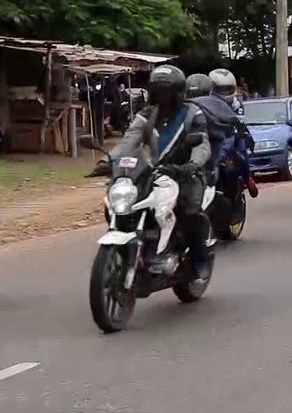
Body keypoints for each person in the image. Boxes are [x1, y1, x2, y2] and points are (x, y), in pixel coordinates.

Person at [92, 65, 213, 281]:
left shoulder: (193, 114)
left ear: (177, 93)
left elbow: (202, 144)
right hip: (156, 171)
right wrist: (108, 160)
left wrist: (193, 164)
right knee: (122, 201)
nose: (162, 97)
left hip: (186, 172)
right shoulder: (146, 115)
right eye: (158, 91)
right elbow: (129, 141)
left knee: (191, 212)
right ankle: (137, 247)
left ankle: (199, 259)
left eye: (167, 92)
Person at [208, 68, 257, 197]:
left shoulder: (236, 105)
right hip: (211, 136)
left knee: (241, 150)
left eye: (228, 88)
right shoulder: (206, 103)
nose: (225, 93)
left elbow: (240, 122)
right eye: (221, 89)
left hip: (228, 135)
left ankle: (248, 178)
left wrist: (241, 132)